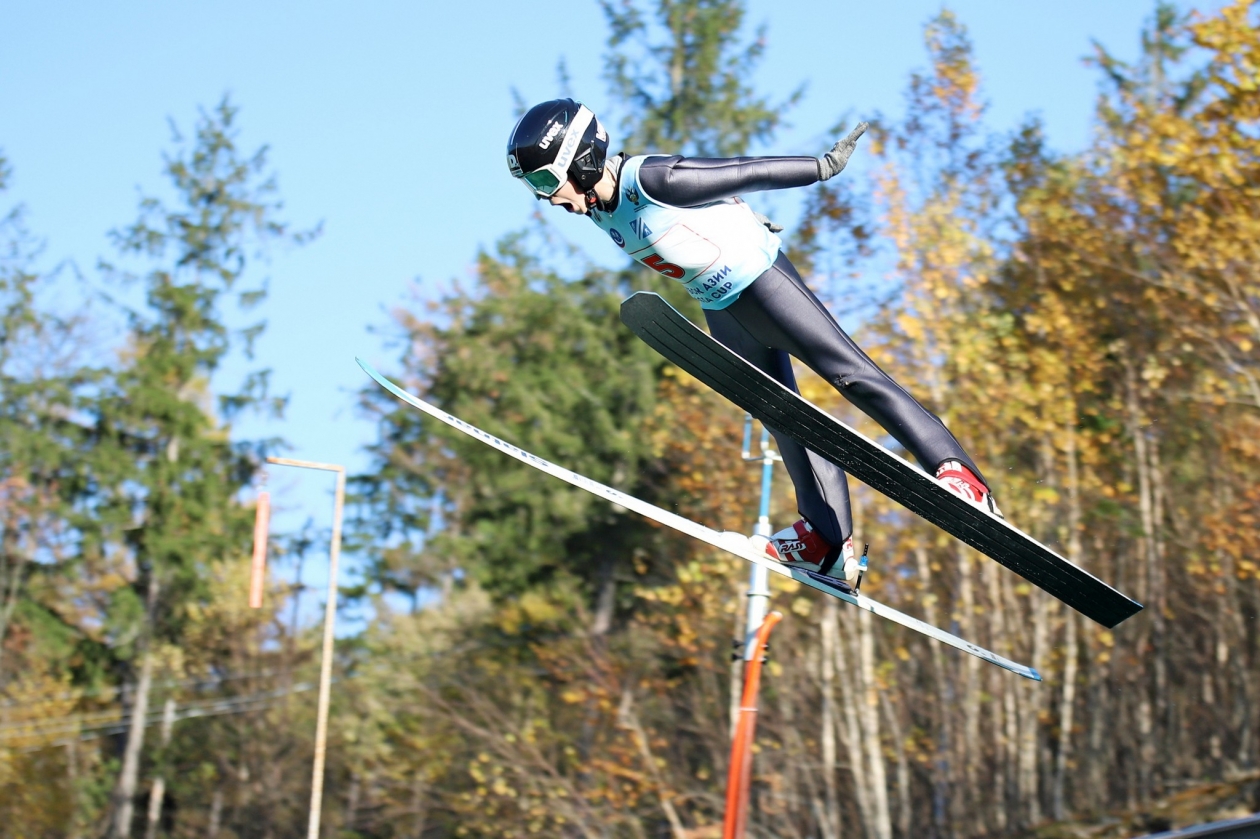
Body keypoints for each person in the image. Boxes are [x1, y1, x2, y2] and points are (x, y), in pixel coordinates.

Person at [506, 98, 1000, 583]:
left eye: (549, 181)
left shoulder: (649, 178)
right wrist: (730, 216)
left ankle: (959, 475)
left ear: (584, 160)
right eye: (536, 189)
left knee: (849, 373)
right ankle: (825, 541)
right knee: (783, 418)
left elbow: (743, 171)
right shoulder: (598, 209)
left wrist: (821, 167)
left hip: (762, 283)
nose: (549, 197)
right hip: (721, 306)